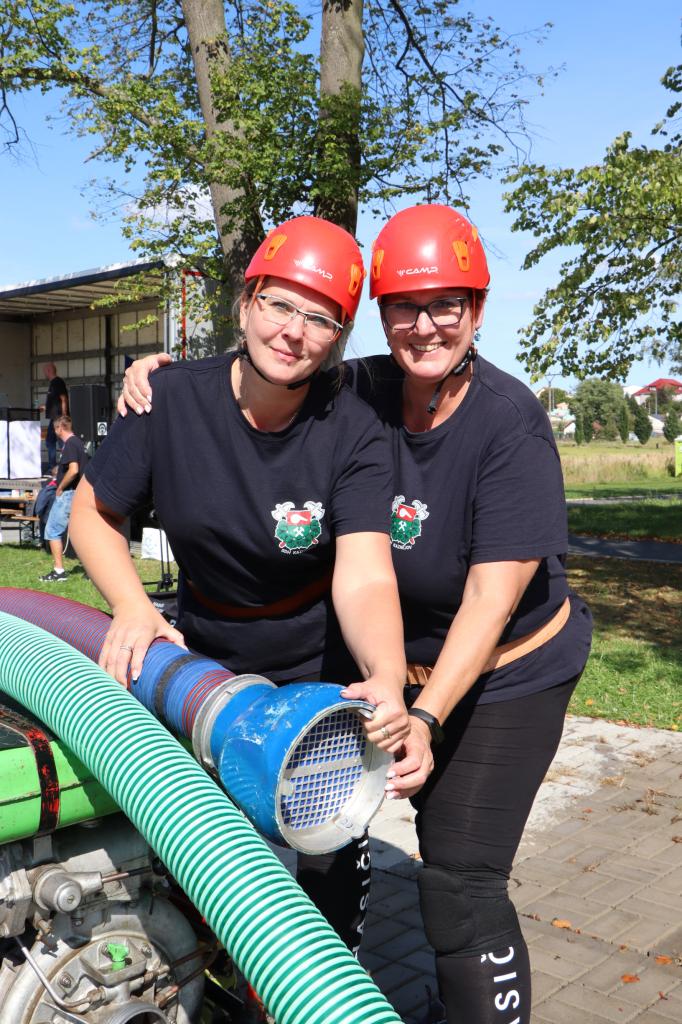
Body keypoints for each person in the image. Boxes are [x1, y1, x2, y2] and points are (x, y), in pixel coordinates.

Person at [121, 204, 592, 1024]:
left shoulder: (509, 423)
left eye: (446, 304)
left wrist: (427, 716)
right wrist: (156, 375)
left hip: (503, 672)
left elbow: (492, 599)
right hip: (396, 664)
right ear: (377, 315)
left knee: (458, 883)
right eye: (403, 306)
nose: (424, 325)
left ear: (478, 309)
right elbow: (258, 372)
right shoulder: (360, 388)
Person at [70, 215, 409, 959]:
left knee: (321, 856)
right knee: (197, 855)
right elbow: (91, 515)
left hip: (313, 662)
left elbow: (364, 571)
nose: (293, 331)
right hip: (198, 653)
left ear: (337, 338)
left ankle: (319, 986)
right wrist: (132, 606)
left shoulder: (352, 429)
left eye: (320, 319)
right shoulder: (169, 398)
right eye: (279, 304)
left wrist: (385, 673)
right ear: (247, 302)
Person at [39, 415, 88, 582]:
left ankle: (58, 572)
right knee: (80, 533)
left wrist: (60, 487)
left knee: (52, 531)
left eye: (55, 429)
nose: (55, 432)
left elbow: (74, 470)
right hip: (77, 492)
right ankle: (91, 570)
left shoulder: (70, 444)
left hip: (68, 493)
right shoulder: (78, 442)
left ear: (60, 428)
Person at [40, 362, 69, 471]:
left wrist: (64, 416)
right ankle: (53, 466)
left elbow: (63, 399)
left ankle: (65, 465)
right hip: (54, 418)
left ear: (49, 371)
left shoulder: (57, 382)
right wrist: (45, 407)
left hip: (59, 418)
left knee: (62, 442)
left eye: (45, 371)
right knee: (50, 441)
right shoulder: (52, 384)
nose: (44, 373)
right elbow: (55, 402)